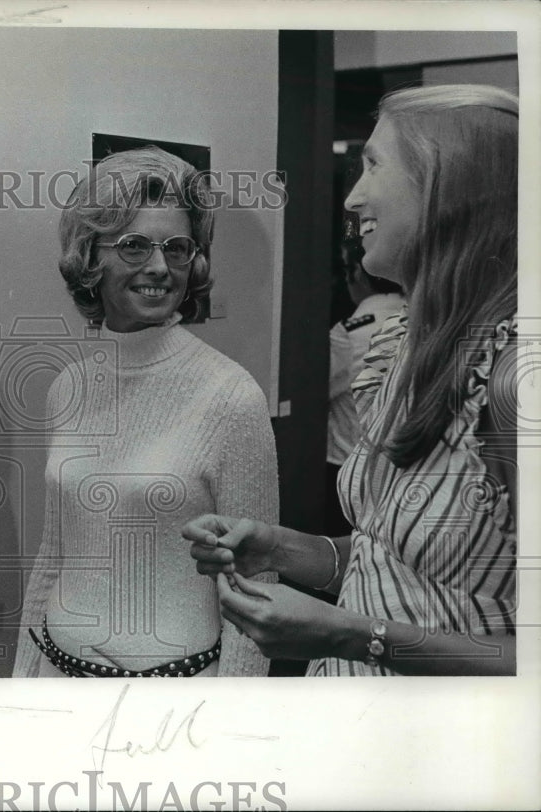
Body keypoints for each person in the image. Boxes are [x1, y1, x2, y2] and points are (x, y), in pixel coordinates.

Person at [185, 84, 518, 676]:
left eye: (373, 165)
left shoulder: (514, 376)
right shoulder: (405, 348)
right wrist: (281, 548)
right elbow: (390, 562)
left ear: (448, 186)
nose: (353, 199)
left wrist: (352, 637)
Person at [13, 146, 279, 678]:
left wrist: (236, 726)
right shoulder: (66, 387)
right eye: (134, 246)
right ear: (91, 256)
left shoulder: (230, 396)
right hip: (55, 674)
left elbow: (255, 584)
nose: (159, 267)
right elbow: (55, 551)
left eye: (176, 248)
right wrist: (23, 675)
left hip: (173, 697)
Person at [325, 240, 404, 536]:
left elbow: (316, 391)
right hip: (402, 464)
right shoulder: (422, 318)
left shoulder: (350, 331)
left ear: (357, 272)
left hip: (347, 461)